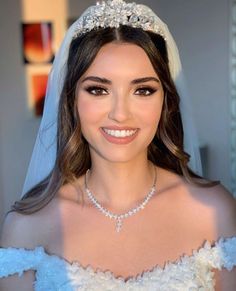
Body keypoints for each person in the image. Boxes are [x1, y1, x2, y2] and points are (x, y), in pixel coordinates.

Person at [0, 0, 236, 290]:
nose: (120, 113)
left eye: (143, 90)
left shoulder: (214, 211)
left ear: (165, 101)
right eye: (98, 89)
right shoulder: (27, 227)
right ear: (72, 101)